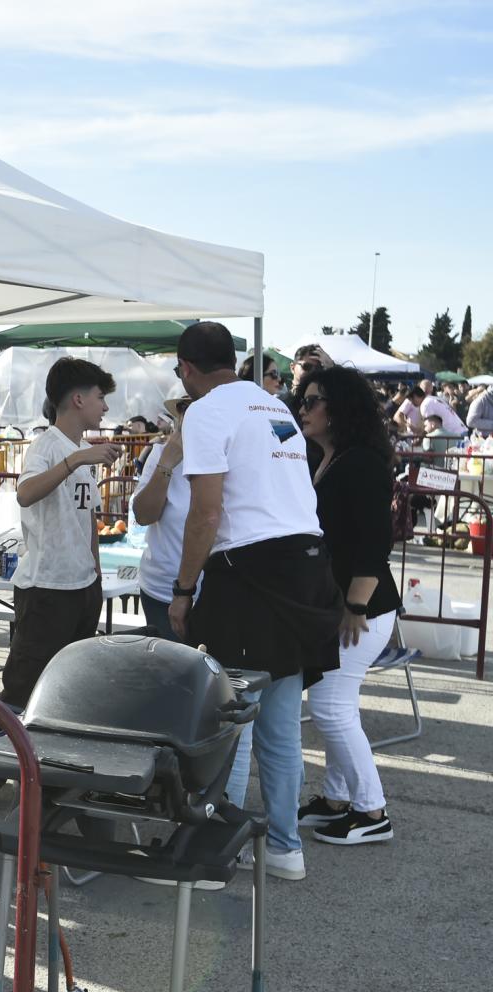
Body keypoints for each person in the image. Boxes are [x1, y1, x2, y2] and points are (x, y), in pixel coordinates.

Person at [168, 321, 343, 882]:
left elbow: (207, 513)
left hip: (249, 571)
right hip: (305, 566)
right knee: (281, 722)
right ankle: (286, 848)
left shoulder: (206, 410)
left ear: (188, 368)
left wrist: (183, 589)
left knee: (231, 716)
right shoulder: (274, 406)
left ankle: (217, 845)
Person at [0, 358, 119, 814]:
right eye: (99, 396)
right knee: (21, 686)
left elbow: (88, 523)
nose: (104, 406)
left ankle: (52, 778)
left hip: (81, 587)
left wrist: (94, 574)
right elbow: (26, 493)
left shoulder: (83, 453)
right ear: (77, 399)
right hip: (46, 588)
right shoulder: (48, 446)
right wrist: (77, 458)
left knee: (71, 689)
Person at [291, 366, 398, 846]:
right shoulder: (321, 454)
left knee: (331, 707)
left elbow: (375, 543)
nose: (304, 409)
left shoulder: (363, 462)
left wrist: (355, 604)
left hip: (363, 606)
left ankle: (372, 810)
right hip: (338, 602)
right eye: (304, 400)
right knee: (338, 703)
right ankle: (337, 799)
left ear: (339, 407)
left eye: (313, 401)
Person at [131, 399, 190, 639]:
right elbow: (144, 515)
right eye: (183, 413)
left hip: (214, 591)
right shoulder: (159, 454)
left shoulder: (228, 453)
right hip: (162, 589)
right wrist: (167, 462)